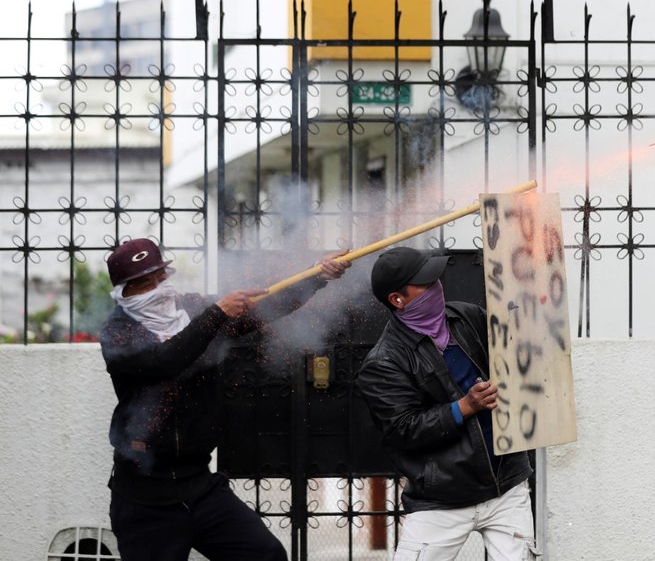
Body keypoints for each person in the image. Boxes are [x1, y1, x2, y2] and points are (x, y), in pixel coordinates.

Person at [98, 237, 350, 561]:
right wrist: (216, 313)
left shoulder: (190, 308)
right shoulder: (117, 332)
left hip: (200, 486)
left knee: (266, 554)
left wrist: (316, 276)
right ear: (123, 292)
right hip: (146, 497)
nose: (158, 288)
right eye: (145, 284)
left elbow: (263, 308)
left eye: (161, 278)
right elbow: (165, 361)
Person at [356, 246, 537, 560]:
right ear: (397, 300)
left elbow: (512, 351)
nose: (437, 287)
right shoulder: (383, 363)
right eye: (425, 285)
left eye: (436, 280)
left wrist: (531, 314)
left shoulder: (465, 317)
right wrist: (465, 406)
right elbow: (404, 431)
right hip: (442, 499)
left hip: (506, 485)